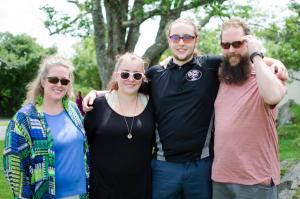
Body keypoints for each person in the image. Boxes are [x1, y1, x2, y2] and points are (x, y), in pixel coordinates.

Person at [82, 18, 287, 199]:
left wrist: (273, 61)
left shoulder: (211, 65)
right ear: (169, 39)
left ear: (196, 39)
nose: (181, 42)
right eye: (176, 37)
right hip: (164, 167)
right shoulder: (156, 73)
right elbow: (129, 85)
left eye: (187, 37)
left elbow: (238, 57)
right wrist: (99, 93)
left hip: (201, 167)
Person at [212, 17, 287, 199]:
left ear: (249, 42)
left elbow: (273, 96)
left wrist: (258, 56)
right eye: (225, 45)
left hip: (256, 181)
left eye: (237, 43)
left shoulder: (266, 75)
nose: (231, 50)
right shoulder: (221, 77)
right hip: (220, 179)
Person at [3, 55, 89, 199]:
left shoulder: (73, 110)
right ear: (43, 81)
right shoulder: (24, 119)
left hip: (81, 194)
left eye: (65, 81)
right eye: (54, 79)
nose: (59, 84)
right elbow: (14, 167)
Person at [83, 52, 154, 199]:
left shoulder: (153, 105)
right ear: (116, 75)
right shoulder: (97, 105)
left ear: (143, 78)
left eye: (137, 75)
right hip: (103, 190)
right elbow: (84, 146)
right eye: (124, 74)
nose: (130, 79)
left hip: (141, 190)